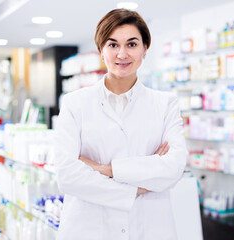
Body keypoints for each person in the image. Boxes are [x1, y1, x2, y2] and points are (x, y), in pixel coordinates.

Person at [54, 8, 188, 240]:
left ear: (145, 48)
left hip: (149, 227)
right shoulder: (75, 103)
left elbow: (173, 168)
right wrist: (139, 185)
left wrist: (105, 169)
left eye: (132, 44)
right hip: (89, 228)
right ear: (101, 50)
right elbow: (67, 175)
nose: (122, 54)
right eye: (113, 44)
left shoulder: (165, 104)